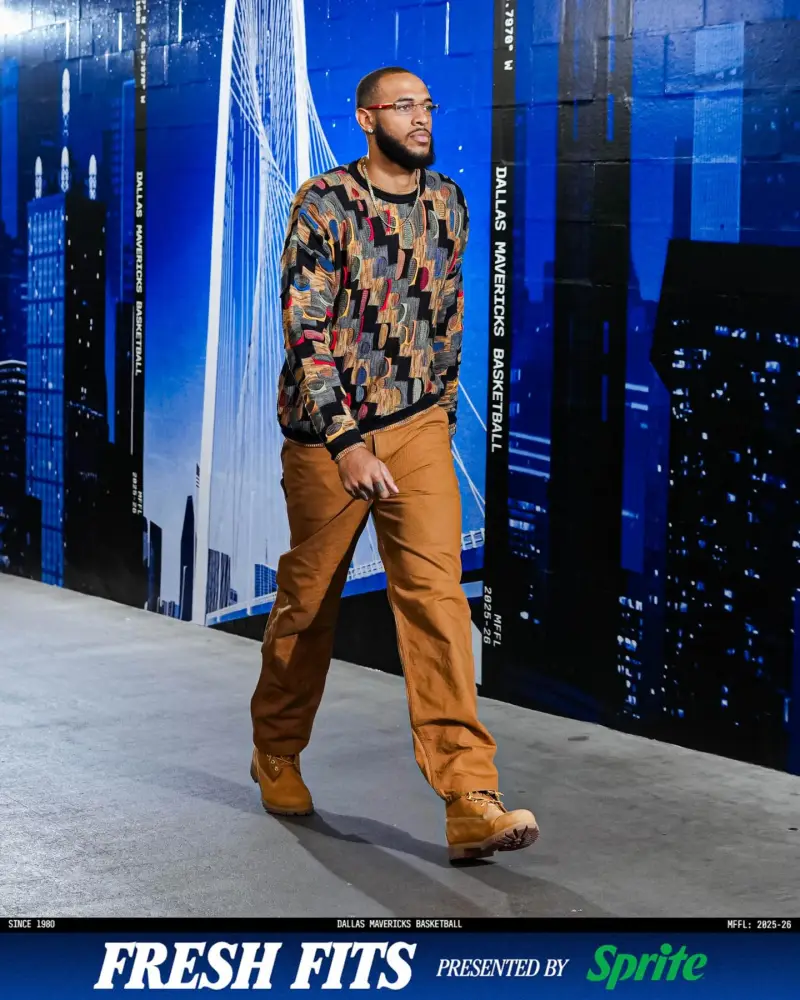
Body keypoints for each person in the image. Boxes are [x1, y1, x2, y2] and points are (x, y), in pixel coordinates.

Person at [250, 66, 538, 862]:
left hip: (417, 429)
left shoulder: (448, 203)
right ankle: (276, 749)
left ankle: (469, 797)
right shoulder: (324, 203)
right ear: (366, 118)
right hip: (327, 438)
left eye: (426, 105)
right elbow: (305, 329)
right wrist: (344, 440)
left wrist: (439, 414)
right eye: (403, 106)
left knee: (438, 602)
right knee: (309, 603)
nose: (420, 118)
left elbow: (447, 315)